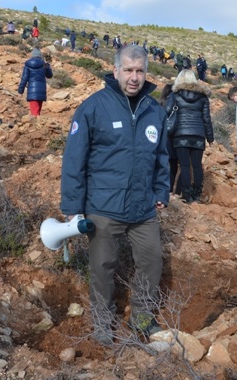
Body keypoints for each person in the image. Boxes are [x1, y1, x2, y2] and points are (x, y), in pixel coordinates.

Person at [60, 44, 169, 345]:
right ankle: (103, 323)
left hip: (143, 208)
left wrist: (161, 190)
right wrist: (72, 205)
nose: (134, 77)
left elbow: (161, 156)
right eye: (129, 70)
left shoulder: (154, 110)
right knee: (102, 269)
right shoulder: (93, 107)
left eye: (140, 71)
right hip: (103, 207)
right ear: (116, 70)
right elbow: (74, 159)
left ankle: (143, 319)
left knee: (152, 262)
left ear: (146, 72)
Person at [165, 69, 213, 203]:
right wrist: (210, 138)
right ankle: (197, 194)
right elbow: (206, 119)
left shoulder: (175, 95)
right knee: (197, 166)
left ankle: (186, 194)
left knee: (185, 166)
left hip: (181, 135)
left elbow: (167, 111)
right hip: (198, 135)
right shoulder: (203, 97)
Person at [18, 48, 53, 117]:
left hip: (32, 91)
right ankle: (39, 125)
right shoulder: (44, 65)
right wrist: (48, 66)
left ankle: (36, 126)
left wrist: (20, 90)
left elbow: (24, 78)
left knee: (34, 113)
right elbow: (50, 75)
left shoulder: (28, 65)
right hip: (42, 91)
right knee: (38, 111)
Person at [160, 83, 181, 197]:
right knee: (174, 164)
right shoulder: (176, 102)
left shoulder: (162, 102)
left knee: (165, 162)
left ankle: (164, 188)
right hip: (176, 134)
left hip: (165, 135)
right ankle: (173, 190)